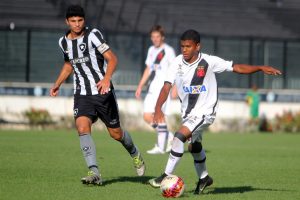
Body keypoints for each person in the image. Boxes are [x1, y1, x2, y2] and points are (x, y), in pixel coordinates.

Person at [148, 30, 281, 194]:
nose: (184, 49)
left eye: (188, 46)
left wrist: (260, 67)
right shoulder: (176, 63)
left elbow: (236, 67)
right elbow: (166, 86)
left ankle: (165, 175)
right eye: (182, 46)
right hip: (188, 114)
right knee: (194, 146)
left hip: (205, 112)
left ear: (197, 46)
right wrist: (157, 108)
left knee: (178, 137)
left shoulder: (209, 61)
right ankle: (204, 178)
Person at [50, 5, 145, 186]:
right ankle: (94, 172)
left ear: (84, 20)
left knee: (116, 134)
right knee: (82, 127)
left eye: (80, 20)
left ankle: (134, 153)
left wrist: (107, 79)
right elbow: (69, 65)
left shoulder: (93, 35)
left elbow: (112, 58)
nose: (77, 24)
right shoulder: (63, 42)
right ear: (67, 22)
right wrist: (57, 83)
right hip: (82, 94)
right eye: (73, 21)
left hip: (102, 92)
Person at [135, 25, 176, 154]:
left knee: (159, 116)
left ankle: (160, 146)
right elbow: (148, 69)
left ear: (162, 37)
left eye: (157, 36)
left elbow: (176, 70)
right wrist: (140, 85)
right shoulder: (151, 50)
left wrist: (175, 87)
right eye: (153, 37)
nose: (155, 39)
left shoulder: (168, 51)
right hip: (152, 88)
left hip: (164, 89)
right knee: (147, 116)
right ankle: (169, 137)